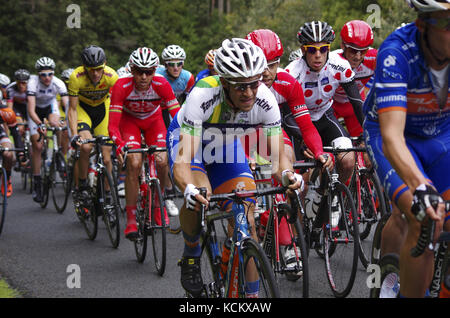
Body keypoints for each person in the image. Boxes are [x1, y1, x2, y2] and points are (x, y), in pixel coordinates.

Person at [168, 38, 302, 297]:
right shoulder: (202, 96)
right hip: (192, 146)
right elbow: (183, 164)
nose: (250, 92)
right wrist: (188, 188)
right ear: (225, 82)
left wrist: (288, 176)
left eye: (254, 83)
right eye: (241, 87)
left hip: (225, 146)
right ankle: (192, 252)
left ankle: (249, 296)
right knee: (200, 195)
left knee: (247, 220)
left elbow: (278, 159)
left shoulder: (265, 100)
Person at [363, 0, 450, 298]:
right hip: (394, 136)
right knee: (421, 215)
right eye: (448, 23)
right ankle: (396, 286)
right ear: (422, 24)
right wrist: (421, 186)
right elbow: (392, 137)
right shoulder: (395, 54)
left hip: (441, 134)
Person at [246, 29, 333, 276]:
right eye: (263, 65)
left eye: (273, 65)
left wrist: (319, 152)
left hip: (271, 132)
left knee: (287, 161)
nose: (268, 73)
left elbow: (306, 124)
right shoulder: (241, 84)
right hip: (240, 134)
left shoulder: (286, 83)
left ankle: (288, 242)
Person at [285, 21, 365, 219]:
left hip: (325, 117)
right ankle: (297, 230)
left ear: (329, 48)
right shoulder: (293, 73)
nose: (318, 55)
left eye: (323, 49)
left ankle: (333, 195)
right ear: (304, 50)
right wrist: (302, 139)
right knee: (300, 182)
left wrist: (368, 132)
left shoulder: (340, 66)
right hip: (299, 123)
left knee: (347, 160)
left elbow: (357, 103)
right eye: (312, 50)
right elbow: (286, 116)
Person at [108, 47, 181, 240]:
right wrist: (119, 143)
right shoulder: (121, 86)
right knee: (133, 163)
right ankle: (131, 217)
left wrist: (182, 138)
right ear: (131, 70)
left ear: (155, 71)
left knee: (162, 159)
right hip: (129, 121)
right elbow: (113, 126)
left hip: (153, 121)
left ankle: (159, 203)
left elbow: (178, 117)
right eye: (139, 71)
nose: (143, 76)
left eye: (148, 72)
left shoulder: (162, 84)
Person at [67, 45, 118, 203]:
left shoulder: (112, 76)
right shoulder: (76, 77)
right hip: (83, 110)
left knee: (107, 157)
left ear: (105, 64)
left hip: (103, 109)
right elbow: (73, 109)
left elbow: (118, 107)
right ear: (84, 67)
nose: (95, 73)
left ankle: (107, 194)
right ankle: (82, 184)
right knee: (86, 146)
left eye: (98, 69)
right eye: (91, 69)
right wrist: (74, 134)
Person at [27, 57, 68, 203]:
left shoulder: (58, 83)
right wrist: (39, 124)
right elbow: (31, 110)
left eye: (50, 74)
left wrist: (68, 121)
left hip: (50, 106)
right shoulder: (32, 83)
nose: (47, 78)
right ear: (38, 75)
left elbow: (68, 106)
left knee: (57, 124)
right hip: (35, 111)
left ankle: (58, 155)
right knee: (37, 146)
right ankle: (37, 181)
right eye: (43, 75)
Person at [332, 20, 377, 137]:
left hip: (355, 106)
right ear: (342, 45)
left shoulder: (373, 58)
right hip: (332, 105)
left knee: (364, 145)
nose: (358, 57)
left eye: (363, 51)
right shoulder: (331, 61)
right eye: (353, 50)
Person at [156, 45, 195, 126]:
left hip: (172, 108)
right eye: (171, 64)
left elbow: (188, 101)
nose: (176, 68)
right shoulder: (156, 75)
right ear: (165, 65)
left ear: (183, 64)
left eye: (179, 64)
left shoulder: (188, 78)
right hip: (154, 109)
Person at [6, 69, 30, 166]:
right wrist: (13, 121)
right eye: (19, 83)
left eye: (24, 83)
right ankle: (20, 153)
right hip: (17, 108)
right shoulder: (10, 89)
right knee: (19, 127)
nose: (21, 85)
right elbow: (9, 109)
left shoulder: (33, 87)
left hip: (29, 107)